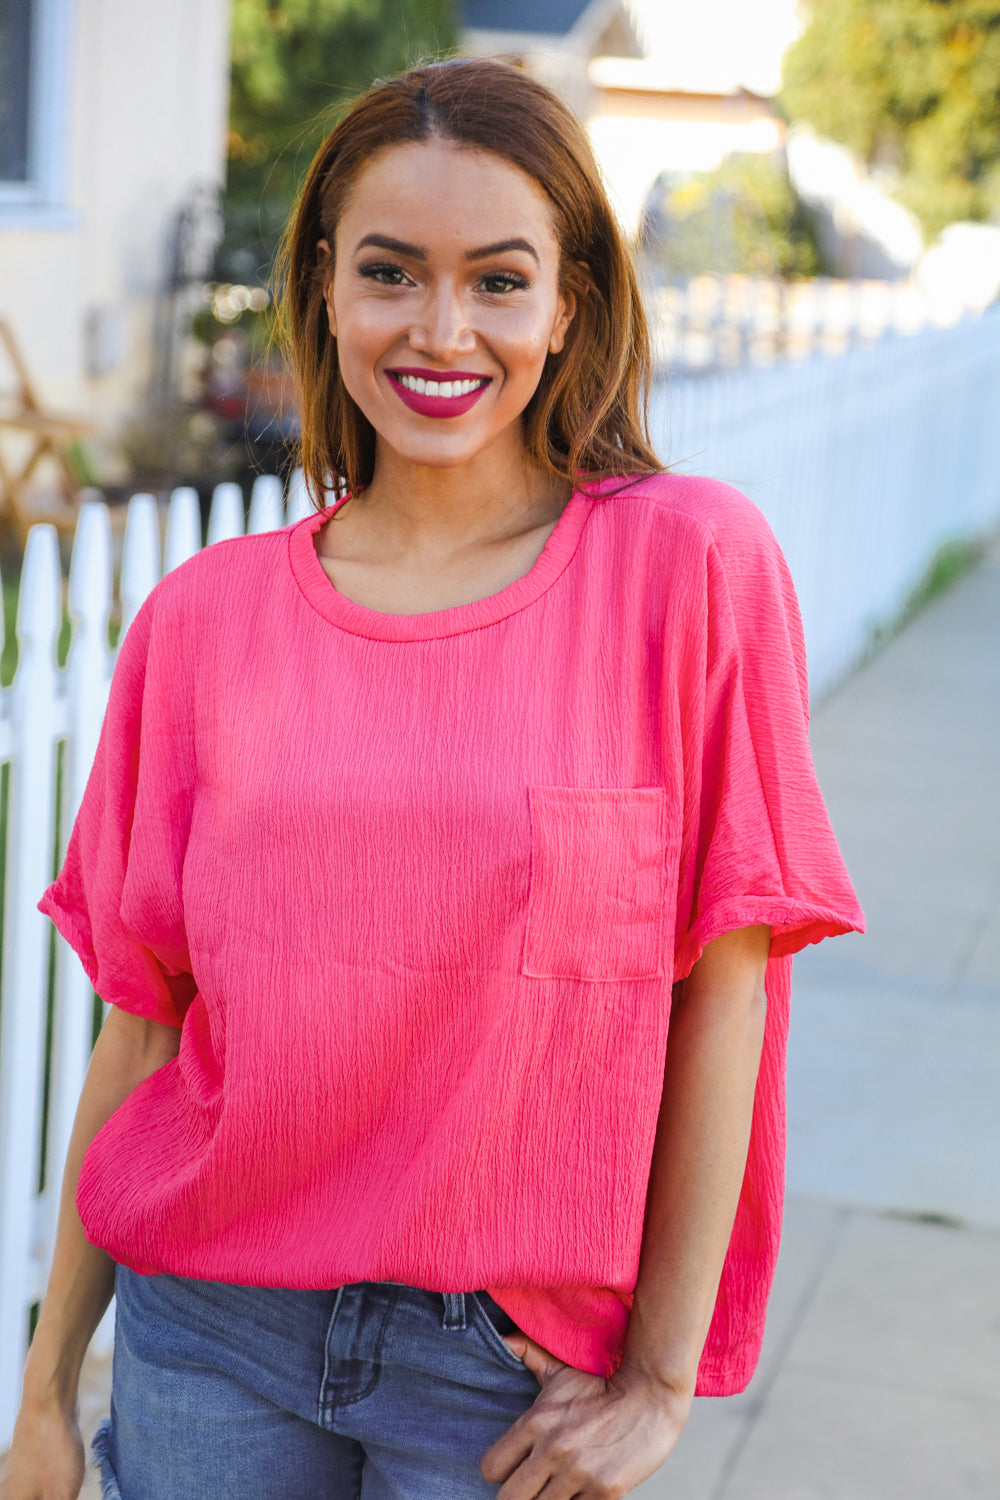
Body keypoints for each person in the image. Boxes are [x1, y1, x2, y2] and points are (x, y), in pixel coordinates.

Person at [1, 58, 863, 1500]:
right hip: (206, 1330)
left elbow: (731, 984)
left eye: (499, 280)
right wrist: (42, 1398)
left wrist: (659, 1376)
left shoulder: (689, 568)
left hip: (506, 1377)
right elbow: (142, 1031)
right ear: (325, 290)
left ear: (569, 303)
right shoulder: (204, 624)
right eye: (391, 273)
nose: (441, 328)